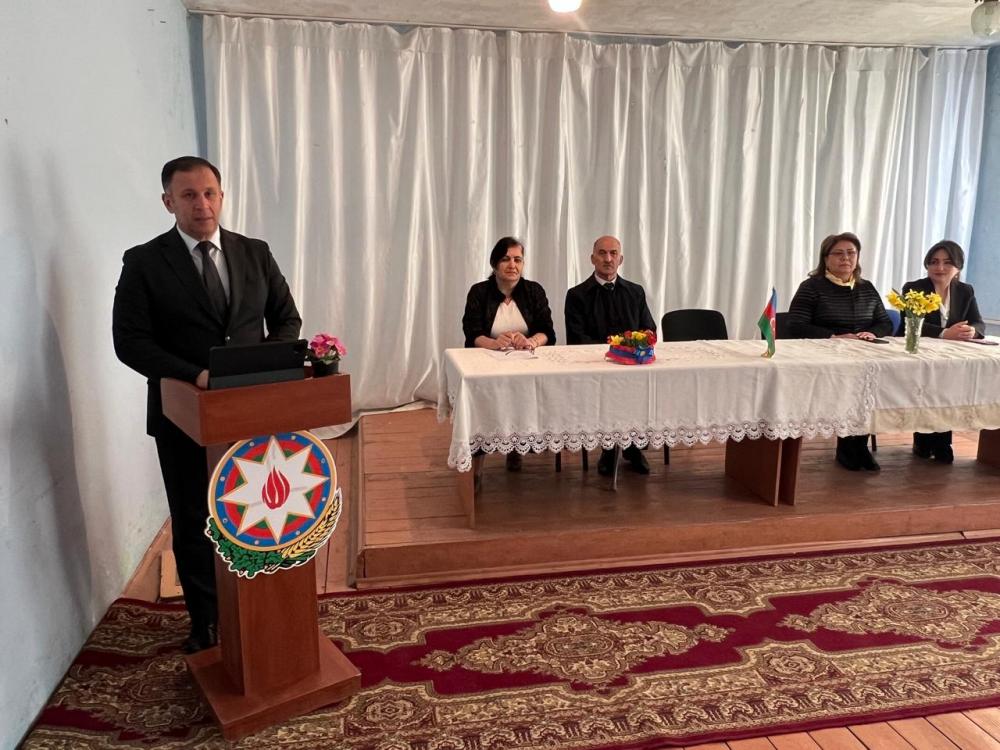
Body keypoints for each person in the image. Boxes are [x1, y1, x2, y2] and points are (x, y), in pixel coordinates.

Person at [113, 156, 302, 653]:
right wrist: (194, 374)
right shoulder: (144, 262)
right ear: (168, 202)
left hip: (253, 414)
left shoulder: (255, 252)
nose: (202, 204)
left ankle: (261, 611)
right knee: (196, 518)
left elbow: (287, 319)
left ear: (221, 196)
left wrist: (259, 369)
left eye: (210, 193)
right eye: (189, 195)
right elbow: (130, 342)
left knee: (258, 512)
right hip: (182, 417)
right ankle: (207, 621)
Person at [787, 232, 893, 472]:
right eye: (838, 253)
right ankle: (847, 449)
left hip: (863, 354)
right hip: (826, 356)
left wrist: (871, 333)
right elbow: (796, 325)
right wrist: (833, 336)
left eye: (851, 253)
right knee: (849, 391)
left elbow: (885, 322)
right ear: (826, 259)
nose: (846, 258)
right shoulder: (812, 287)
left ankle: (858, 447)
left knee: (868, 392)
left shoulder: (867, 287)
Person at [565, 235, 657, 476]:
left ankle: (633, 447)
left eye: (613, 253)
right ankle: (608, 449)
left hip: (632, 368)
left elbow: (649, 328)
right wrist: (610, 354)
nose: (608, 259)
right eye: (602, 253)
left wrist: (636, 345)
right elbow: (576, 338)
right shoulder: (576, 295)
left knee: (640, 388)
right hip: (595, 368)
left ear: (621, 259)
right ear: (592, 258)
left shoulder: (635, 292)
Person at [462, 236, 555, 471]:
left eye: (517, 259)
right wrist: (493, 343)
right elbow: (472, 332)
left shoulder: (534, 291)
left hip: (528, 362)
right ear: (494, 264)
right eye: (505, 259)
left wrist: (531, 341)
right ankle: (479, 450)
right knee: (485, 402)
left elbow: (547, 331)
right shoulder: (479, 292)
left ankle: (518, 444)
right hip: (488, 362)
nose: (512, 265)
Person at [899, 240, 985, 464]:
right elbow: (910, 323)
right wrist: (945, 333)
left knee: (948, 392)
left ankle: (943, 442)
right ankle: (923, 440)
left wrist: (972, 330)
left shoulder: (965, 290)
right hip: (918, 352)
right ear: (927, 264)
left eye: (947, 262)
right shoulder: (913, 288)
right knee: (928, 390)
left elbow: (978, 322)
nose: (940, 267)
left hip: (952, 356)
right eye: (934, 262)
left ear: (958, 266)